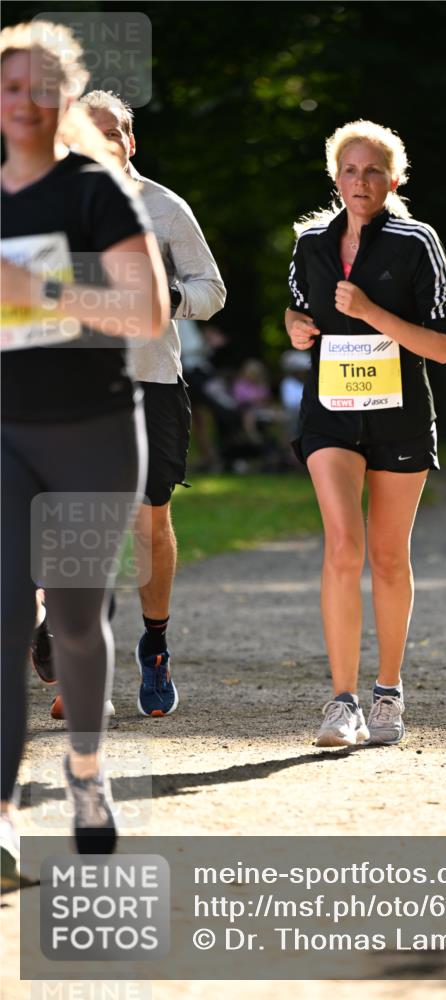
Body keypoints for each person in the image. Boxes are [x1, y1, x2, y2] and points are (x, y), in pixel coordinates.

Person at [0, 20, 170, 883]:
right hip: (4, 432)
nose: (24, 102)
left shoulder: (95, 192)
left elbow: (147, 315)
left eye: (40, 87)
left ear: (62, 99)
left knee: (72, 617)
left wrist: (45, 286)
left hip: (94, 433)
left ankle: (87, 773)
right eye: (9, 86)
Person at [41, 88, 226, 719]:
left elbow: (212, 289)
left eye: (112, 132)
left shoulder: (164, 207)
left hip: (150, 382)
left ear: (130, 141)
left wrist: (163, 297)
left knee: (148, 524)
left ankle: (154, 646)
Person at [285, 120, 446, 748]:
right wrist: (295, 328)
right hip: (330, 409)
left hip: (399, 413)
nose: (362, 181)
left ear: (395, 178)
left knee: (386, 555)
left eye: (374, 170)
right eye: (351, 170)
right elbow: (299, 310)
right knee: (341, 546)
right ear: (335, 177)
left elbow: (439, 346)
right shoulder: (309, 243)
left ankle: (388, 692)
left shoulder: (418, 242)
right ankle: (341, 701)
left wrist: (371, 311)